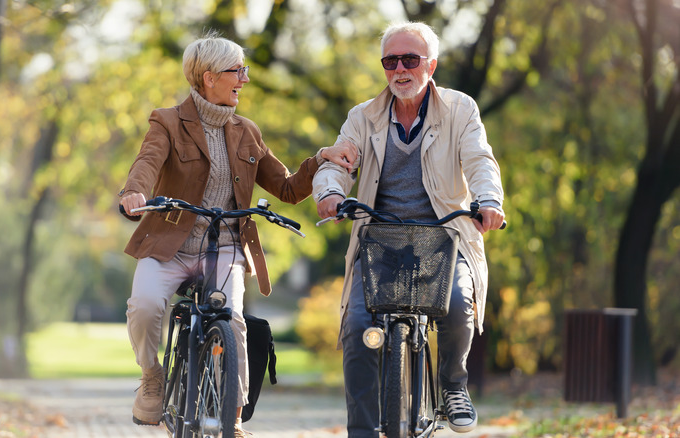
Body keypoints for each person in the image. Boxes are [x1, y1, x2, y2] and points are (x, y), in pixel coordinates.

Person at [118, 31, 356, 436]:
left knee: (233, 322)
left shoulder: (247, 131)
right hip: (168, 248)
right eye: (237, 71)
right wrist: (134, 192)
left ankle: (232, 414)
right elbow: (147, 161)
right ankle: (152, 377)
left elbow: (286, 187)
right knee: (143, 306)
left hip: (225, 246)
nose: (244, 79)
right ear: (209, 77)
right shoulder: (168, 122)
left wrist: (321, 159)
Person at [313, 21, 505, 436]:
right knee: (359, 328)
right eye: (390, 61)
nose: (400, 69)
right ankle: (363, 432)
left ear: (430, 65)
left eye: (410, 60)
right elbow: (337, 163)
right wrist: (329, 192)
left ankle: (453, 385)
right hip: (379, 242)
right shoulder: (362, 117)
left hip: (444, 241)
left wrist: (489, 201)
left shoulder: (460, 109)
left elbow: (479, 160)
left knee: (457, 305)